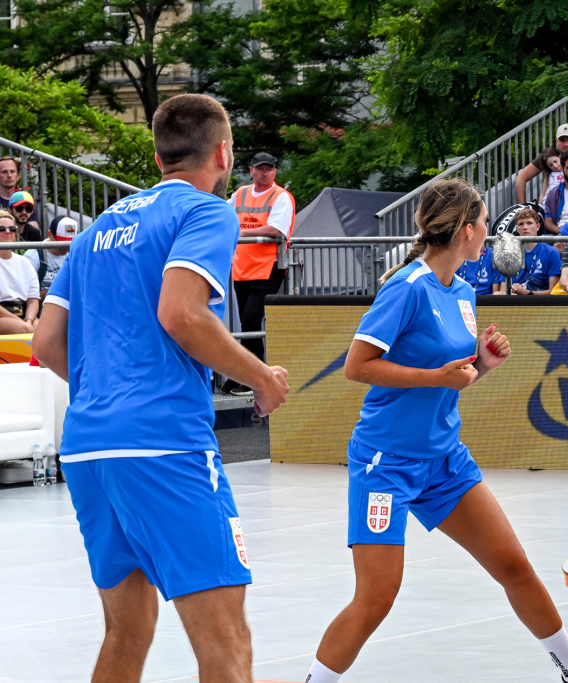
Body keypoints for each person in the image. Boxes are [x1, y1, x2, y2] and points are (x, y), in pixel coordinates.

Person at [32, 93, 291, 683]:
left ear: (156, 156)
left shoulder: (95, 231)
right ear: (224, 152)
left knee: (128, 632)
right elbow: (182, 313)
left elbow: (47, 344)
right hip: (164, 444)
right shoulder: (207, 212)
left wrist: (108, 387)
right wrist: (261, 376)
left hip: (90, 447)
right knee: (226, 642)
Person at [305, 177, 568, 683]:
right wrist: (438, 376)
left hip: (445, 460)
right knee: (376, 597)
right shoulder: (406, 287)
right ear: (466, 230)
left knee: (514, 566)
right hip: (387, 463)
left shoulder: (463, 291)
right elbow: (357, 366)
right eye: (485, 224)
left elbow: (451, 377)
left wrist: (480, 364)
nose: (489, 232)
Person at [224, 152, 295, 396]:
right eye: (260, 168)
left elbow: (276, 229)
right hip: (242, 267)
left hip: (269, 268)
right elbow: (224, 216)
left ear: (275, 172)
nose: (265, 172)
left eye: (270, 168)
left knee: (251, 321)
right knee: (246, 323)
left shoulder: (281, 197)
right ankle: (243, 375)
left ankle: (255, 379)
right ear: (251, 170)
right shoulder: (240, 193)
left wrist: (240, 233)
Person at [515, 124, 568, 204]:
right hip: (548, 206)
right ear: (556, 141)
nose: (566, 144)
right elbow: (521, 177)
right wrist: (522, 207)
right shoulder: (547, 156)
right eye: (562, 140)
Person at [497, 208, 562, 295]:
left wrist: (526, 292)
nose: (525, 227)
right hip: (514, 303)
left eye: (529, 223)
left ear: (538, 227)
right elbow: (502, 291)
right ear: (517, 229)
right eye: (521, 224)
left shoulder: (551, 252)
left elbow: (554, 292)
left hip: (541, 304)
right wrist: (512, 290)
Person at [0, 210, 39, 334]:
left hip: (24, 313)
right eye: (1, 228)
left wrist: (28, 320)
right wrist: (22, 323)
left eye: (12, 228)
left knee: (45, 330)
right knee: (25, 329)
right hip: (3, 315)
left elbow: (33, 299)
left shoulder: (25, 262)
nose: (7, 232)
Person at [25, 215, 77, 298]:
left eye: (69, 243)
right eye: (61, 242)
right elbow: (27, 297)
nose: (65, 247)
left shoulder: (75, 255)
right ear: (50, 234)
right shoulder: (33, 256)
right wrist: (59, 290)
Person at [0, 157, 40, 228]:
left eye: (12, 171)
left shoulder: (24, 198)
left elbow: (34, 227)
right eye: (4, 172)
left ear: (18, 176)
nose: (9, 175)